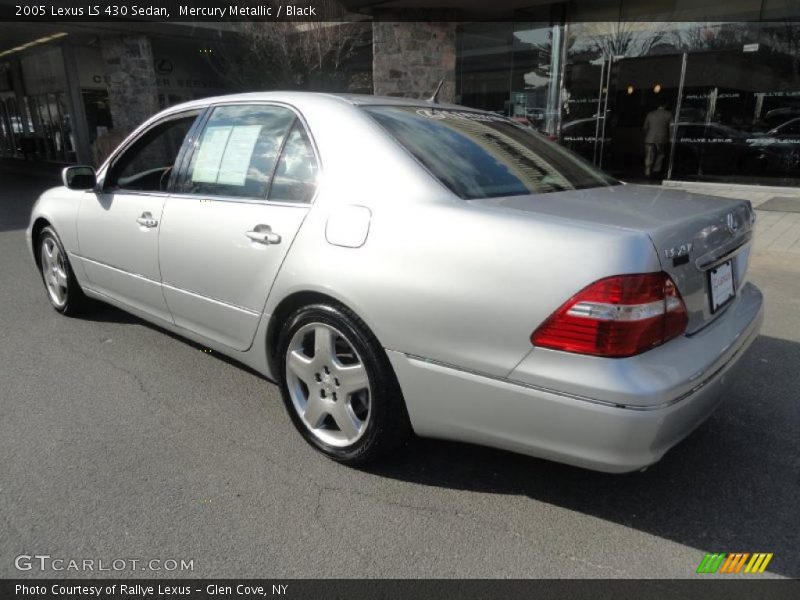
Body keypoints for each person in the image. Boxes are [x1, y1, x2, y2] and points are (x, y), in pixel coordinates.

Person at [643, 102, 672, 178]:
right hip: (662, 138)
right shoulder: (668, 114)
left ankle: (647, 171)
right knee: (660, 154)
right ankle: (656, 170)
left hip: (649, 138)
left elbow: (645, 127)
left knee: (649, 155)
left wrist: (648, 134)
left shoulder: (650, 114)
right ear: (665, 105)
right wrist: (670, 137)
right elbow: (671, 128)